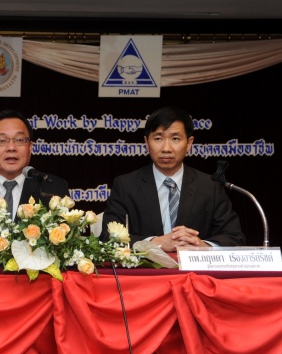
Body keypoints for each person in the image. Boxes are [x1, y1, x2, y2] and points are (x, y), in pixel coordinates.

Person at [102, 106, 245, 251]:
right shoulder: (126, 186)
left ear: (189, 143)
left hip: (193, 265)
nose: (166, 148)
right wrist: (153, 243)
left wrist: (203, 246)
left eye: (175, 139)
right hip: (146, 266)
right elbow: (108, 238)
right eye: (158, 138)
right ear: (147, 143)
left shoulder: (209, 186)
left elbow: (234, 237)